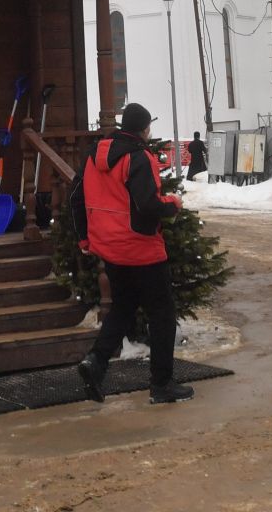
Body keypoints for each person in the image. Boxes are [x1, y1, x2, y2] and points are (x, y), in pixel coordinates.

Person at [75, 102, 192, 404]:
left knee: (123, 309)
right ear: (143, 129)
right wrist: (173, 204)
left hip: (110, 249)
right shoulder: (140, 157)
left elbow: (77, 198)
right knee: (162, 315)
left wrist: (84, 238)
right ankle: (162, 385)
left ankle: (96, 362)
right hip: (142, 250)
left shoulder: (92, 156)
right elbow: (148, 204)